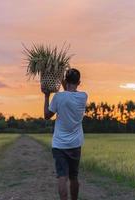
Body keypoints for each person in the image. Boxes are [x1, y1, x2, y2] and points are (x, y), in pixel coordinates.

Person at [42, 68, 88, 200]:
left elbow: (46, 115)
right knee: (74, 177)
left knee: (62, 177)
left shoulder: (58, 97)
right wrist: (65, 81)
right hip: (75, 144)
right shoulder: (83, 96)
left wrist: (46, 95)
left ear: (65, 81)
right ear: (79, 82)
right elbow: (69, 92)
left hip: (59, 145)